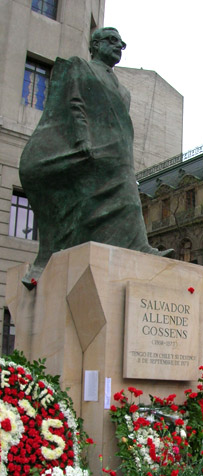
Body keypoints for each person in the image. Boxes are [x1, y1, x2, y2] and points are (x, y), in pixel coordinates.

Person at [19, 27, 172, 289]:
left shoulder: (125, 92)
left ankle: (137, 245)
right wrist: (82, 138)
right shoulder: (80, 67)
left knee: (126, 196)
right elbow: (74, 103)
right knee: (110, 198)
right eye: (112, 41)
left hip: (117, 152)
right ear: (95, 45)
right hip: (89, 147)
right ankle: (52, 258)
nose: (119, 47)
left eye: (122, 44)